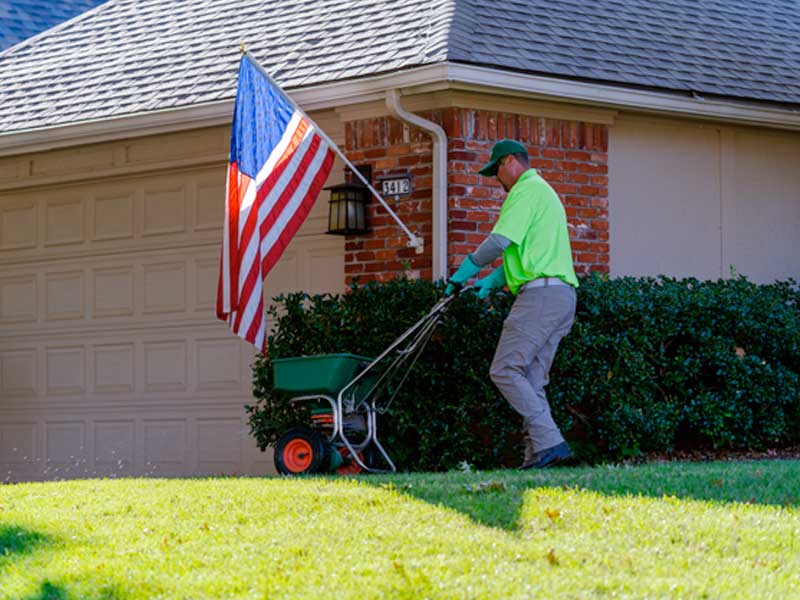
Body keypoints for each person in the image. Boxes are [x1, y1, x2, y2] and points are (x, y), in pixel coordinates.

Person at [445, 139, 578, 469]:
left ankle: (552, 443)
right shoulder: (544, 193)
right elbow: (527, 254)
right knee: (531, 380)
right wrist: (490, 283)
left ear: (509, 162)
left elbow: (500, 241)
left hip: (540, 297)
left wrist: (465, 271)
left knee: (504, 369)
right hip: (561, 296)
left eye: (496, 171)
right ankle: (539, 454)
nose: (497, 180)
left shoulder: (525, 190)